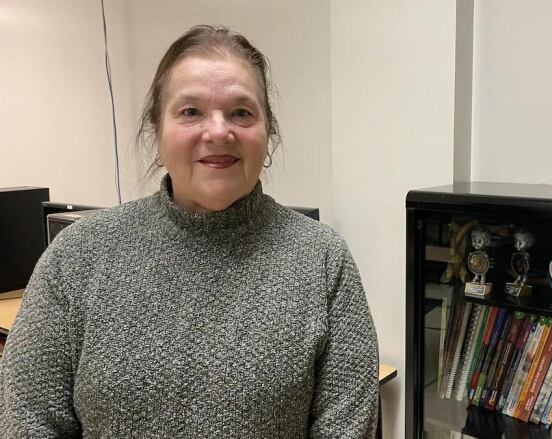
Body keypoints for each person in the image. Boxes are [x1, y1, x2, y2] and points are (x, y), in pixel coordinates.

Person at [0, 25, 379, 438]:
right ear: (157, 131)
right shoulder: (75, 257)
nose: (219, 132)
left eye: (241, 112)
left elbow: (345, 429)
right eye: (191, 111)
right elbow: (29, 421)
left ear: (267, 133)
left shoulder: (323, 261)